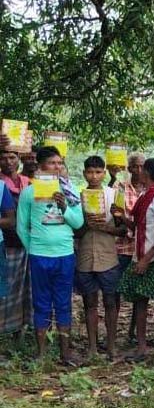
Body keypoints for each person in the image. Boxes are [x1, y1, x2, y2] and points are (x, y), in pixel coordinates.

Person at [16, 147, 80, 363]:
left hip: (65, 254)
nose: (57, 167)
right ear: (41, 165)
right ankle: (41, 353)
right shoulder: (29, 192)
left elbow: (78, 223)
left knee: (63, 302)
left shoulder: (69, 190)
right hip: (39, 256)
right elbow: (21, 227)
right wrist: (33, 248)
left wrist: (65, 208)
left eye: (60, 163)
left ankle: (65, 353)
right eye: (52, 163)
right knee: (41, 302)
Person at [115, 158, 154, 360]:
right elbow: (140, 227)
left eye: (142, 169)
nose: (138, 172)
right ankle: (141, 347)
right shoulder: (145, 195)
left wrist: (146, 259)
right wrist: (122, 218)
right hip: (140, 254)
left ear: (146, 173)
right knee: (139, 300)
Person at [75, 156, 125, 360]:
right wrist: (86, 224)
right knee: (89, 302)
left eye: (98, 172)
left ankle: (112, 346)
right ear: (84, 173)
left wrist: (107, 226)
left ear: (104, 173)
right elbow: (76, 231)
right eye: (90, 172)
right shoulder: (78, 197)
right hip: (85, 256)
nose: (94, 176)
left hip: (108, 256)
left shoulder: (114, 195)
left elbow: (123, 229)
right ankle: (92, 348)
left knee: (111, 301)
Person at [111, 153, 145, 342]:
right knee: (115, 291)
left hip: (141, 251)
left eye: (142, 166)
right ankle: (113, 332)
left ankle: (133, 332)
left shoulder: (150, 189)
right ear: (129, 168)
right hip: (121, 248)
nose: (138, 170)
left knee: (138, 293)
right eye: (135, 166)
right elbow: (114, 213)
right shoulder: (120, 187)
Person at [0, 146, 31, 335]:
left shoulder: (26, 181)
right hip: (6, 244)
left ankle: (18, 330)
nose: (8, 162)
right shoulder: (0, 184)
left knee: (23, 289)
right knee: (6, 288)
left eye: (12, 157)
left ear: (19, 159)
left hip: (25, 243)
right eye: (4, 158)